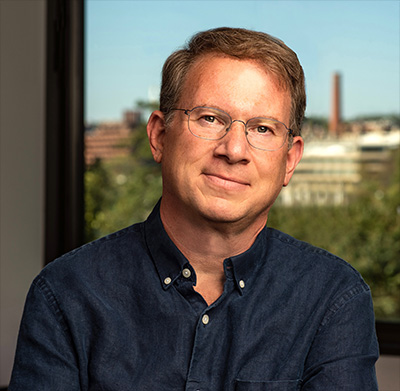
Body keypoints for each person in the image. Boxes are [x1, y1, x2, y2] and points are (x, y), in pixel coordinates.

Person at [9, 27, 378, 390]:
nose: (234, 150)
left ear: (290, 160)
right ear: (159, 136)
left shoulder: (334, 300)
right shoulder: (66, 294)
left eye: (262, 128)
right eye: (210, 118)